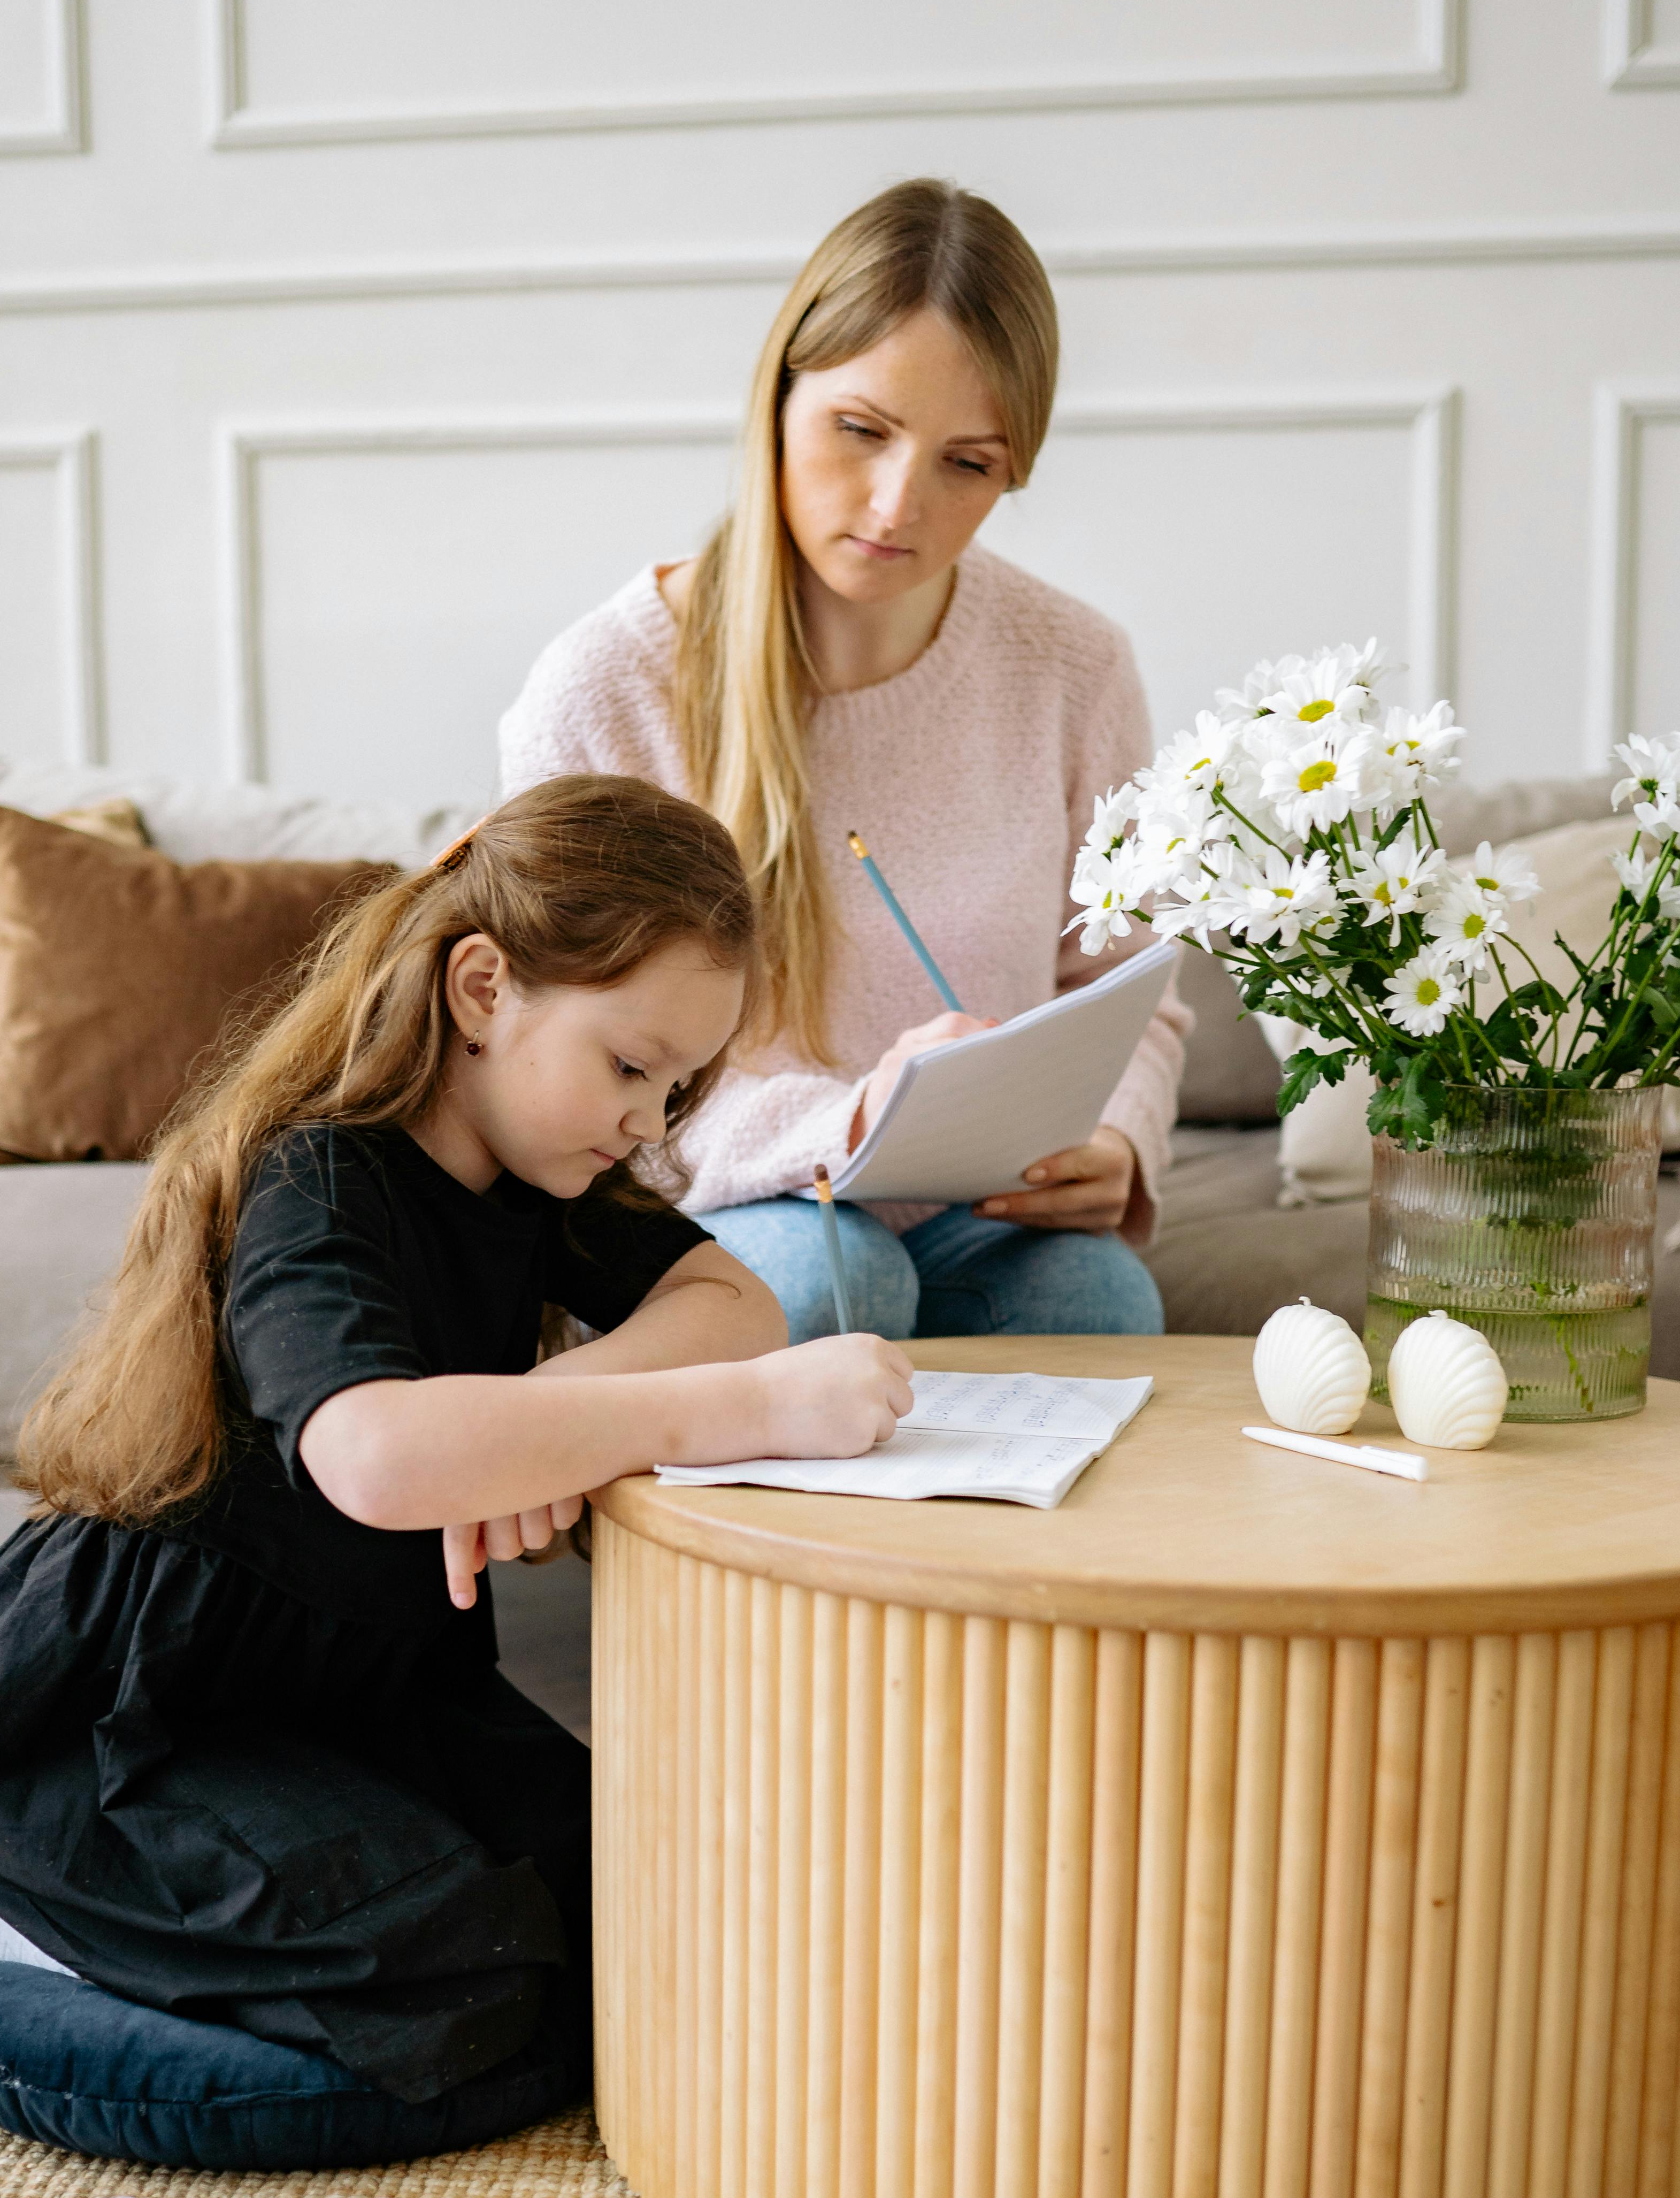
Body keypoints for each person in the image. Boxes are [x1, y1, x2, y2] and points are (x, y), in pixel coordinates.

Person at [0, 776, 910, 2165]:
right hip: (127, 1721)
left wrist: (541, 1414)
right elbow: (372, 1454)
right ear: (483, 989)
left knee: (647, 1921)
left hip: (355, 1690)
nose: (651, 1121)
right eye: (630, 1068)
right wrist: (725, 1413)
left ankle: (156, 1949)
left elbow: (727, 1302)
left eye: (679, 1087)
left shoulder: (539, 1170)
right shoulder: (318, 1177)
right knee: (464, 2018)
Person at [499, 177, 1188, 1346]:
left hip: (976, 1205)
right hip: (703, 1203)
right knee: (836, 1279)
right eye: (859, 430)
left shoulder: (1073, 667)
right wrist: (846, 1122)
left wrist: (1116, 1140)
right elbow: (559, 1061)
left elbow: (1127, 988)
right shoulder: (604, 688)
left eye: (965, 463)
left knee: (1098, 1299)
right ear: (778, 397)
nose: (894, 504)